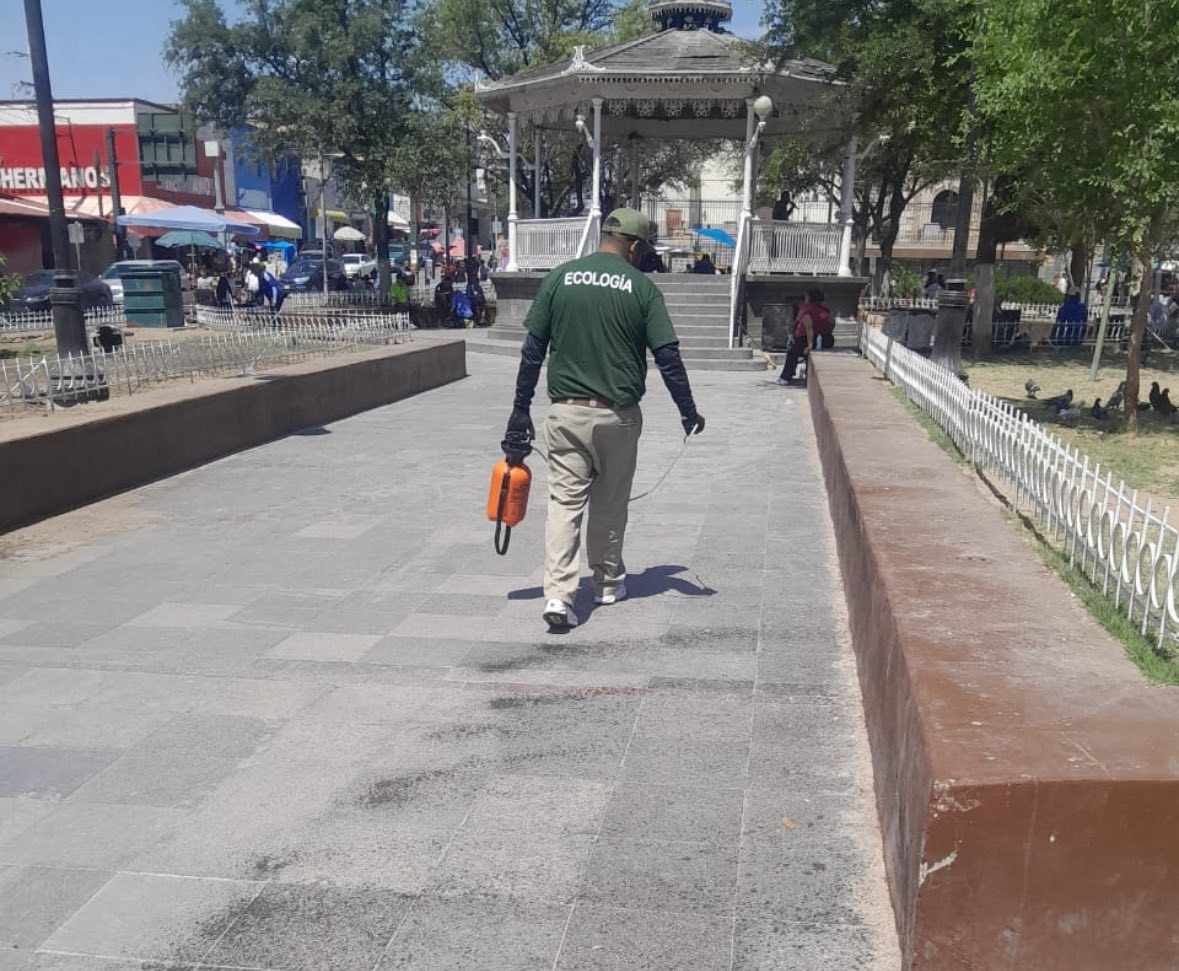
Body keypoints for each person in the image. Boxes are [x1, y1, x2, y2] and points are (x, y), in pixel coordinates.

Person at [501, 207, 705, 631]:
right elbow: (667, 357)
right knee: (610, 504)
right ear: (634, 246)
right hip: (618, 417)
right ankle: (607, 583)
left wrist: (520, 409)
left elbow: (532, 350)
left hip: (566, 412)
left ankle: (558, 596)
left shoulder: (560, 278)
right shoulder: (642, 289)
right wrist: (688, 411)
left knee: (564, 504)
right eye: (643, 249)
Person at [777, 287, 834, 385]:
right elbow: (832, 323)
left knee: (792, 352)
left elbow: (809, 328)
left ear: (809, 298)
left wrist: (810, 345)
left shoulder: (807, 310)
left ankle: (785, 377)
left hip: (806, 339)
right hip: (826, 339)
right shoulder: (824, 309)